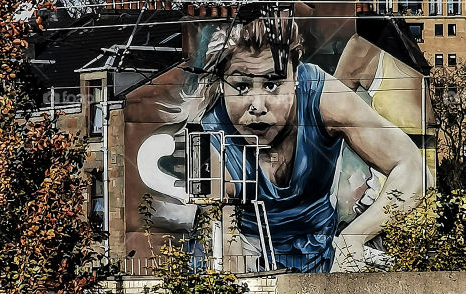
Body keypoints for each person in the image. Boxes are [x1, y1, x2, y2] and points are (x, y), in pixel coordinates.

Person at [170, 15, 428, 272]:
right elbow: (228, 260)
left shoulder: (322, 95)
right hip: (249, 255)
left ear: (295, 78)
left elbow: (412, 167)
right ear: (222, 84)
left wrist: (354, 239)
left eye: (272, 84)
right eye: (241, 86)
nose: (258, 106)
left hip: (322, 254)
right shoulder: (208, 142)